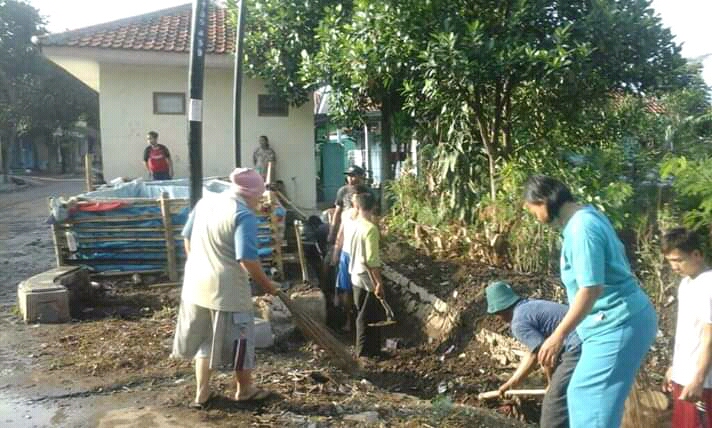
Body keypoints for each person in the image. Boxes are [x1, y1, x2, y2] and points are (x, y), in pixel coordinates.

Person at [522, 175, 657, 428]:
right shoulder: (585, 217)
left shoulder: (581, 228)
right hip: (613, 324)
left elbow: (590, 289)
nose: (537, 220)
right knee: (583, 397)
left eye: (533, 212)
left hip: (617, 323)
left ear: (542, 201)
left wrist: (557, 335)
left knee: (590, 402)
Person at [172, 167, 280, 409]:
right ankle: (244, 389)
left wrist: (200, 262)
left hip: (195, 283)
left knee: (205, 340)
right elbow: (247, 260)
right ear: (250, 193)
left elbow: (187, 238)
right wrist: (268, 286)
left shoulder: (205, 203)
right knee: (241, 338)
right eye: (259, 196)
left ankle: (202, 394)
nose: (259, 201)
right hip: (227, 289)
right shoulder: (243, 215)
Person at [485, 281, 582, 428]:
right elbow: (532, 354)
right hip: (588, 335)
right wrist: (513, 382)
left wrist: (551, 384)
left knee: (553, 406)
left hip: (578, 344)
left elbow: (544, 354)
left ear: (501, 311)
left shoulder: (518, 323)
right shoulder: (530, 306)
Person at [661, 227, 712, 428]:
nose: (674, 266)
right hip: (684, 377)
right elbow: (688, 332)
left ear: (697, 255)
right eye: (670, 261)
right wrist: (676, 366)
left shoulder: (708, 284)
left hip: (703, 383)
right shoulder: (686, 283)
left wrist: (698, 378)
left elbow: (709, 335)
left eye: (678, 260)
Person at [348, 191, 385, 358]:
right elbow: (372, 260)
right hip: (366, 275)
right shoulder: (371, 229)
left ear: (358, 206)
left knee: (363, 312)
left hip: (354, 273)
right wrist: (378, 283)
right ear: (374, 207)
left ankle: (372, 350)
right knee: (367, 315)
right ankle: (363, 352)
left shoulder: (354, 224)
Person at [332, 184, 370, 332]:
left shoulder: (364, 216)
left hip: (356, 255)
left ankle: (356, 320)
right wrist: (336, 252)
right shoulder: (348, 214)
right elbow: (340, 234)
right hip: (349, 254)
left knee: (356, 289)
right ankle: (350, 320)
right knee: (349, 289)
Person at [328, 165, 366, 245]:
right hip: (345, 226)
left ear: (360, 177)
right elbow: (337, 212)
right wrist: (332, 232)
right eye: (348, 176)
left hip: (361, 228)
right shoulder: (343, 191)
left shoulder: (367, 192)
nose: (350, 178)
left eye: (353, 176)